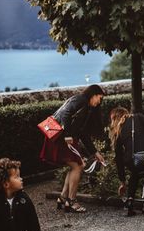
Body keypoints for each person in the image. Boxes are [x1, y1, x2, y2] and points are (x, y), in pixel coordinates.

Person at [39, 84, 105, 212]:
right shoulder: (81, 100)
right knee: (78, 166)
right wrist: (68, 135)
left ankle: (64, 198)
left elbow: (83, 134)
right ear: (93, 94)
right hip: (61, 137)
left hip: (63, 137)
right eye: (99, 98)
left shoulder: (86, 107)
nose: (99, 102)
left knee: (75, 166)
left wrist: (95, 152)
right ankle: (72, 201)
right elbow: (66, 113)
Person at [109, 107, 144, 216]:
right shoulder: (139, 117)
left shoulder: (118, 131)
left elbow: (118, 158)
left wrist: (122, 181)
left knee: (135, 174)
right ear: (126, 113)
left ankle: (129, 201)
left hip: (133, 160)